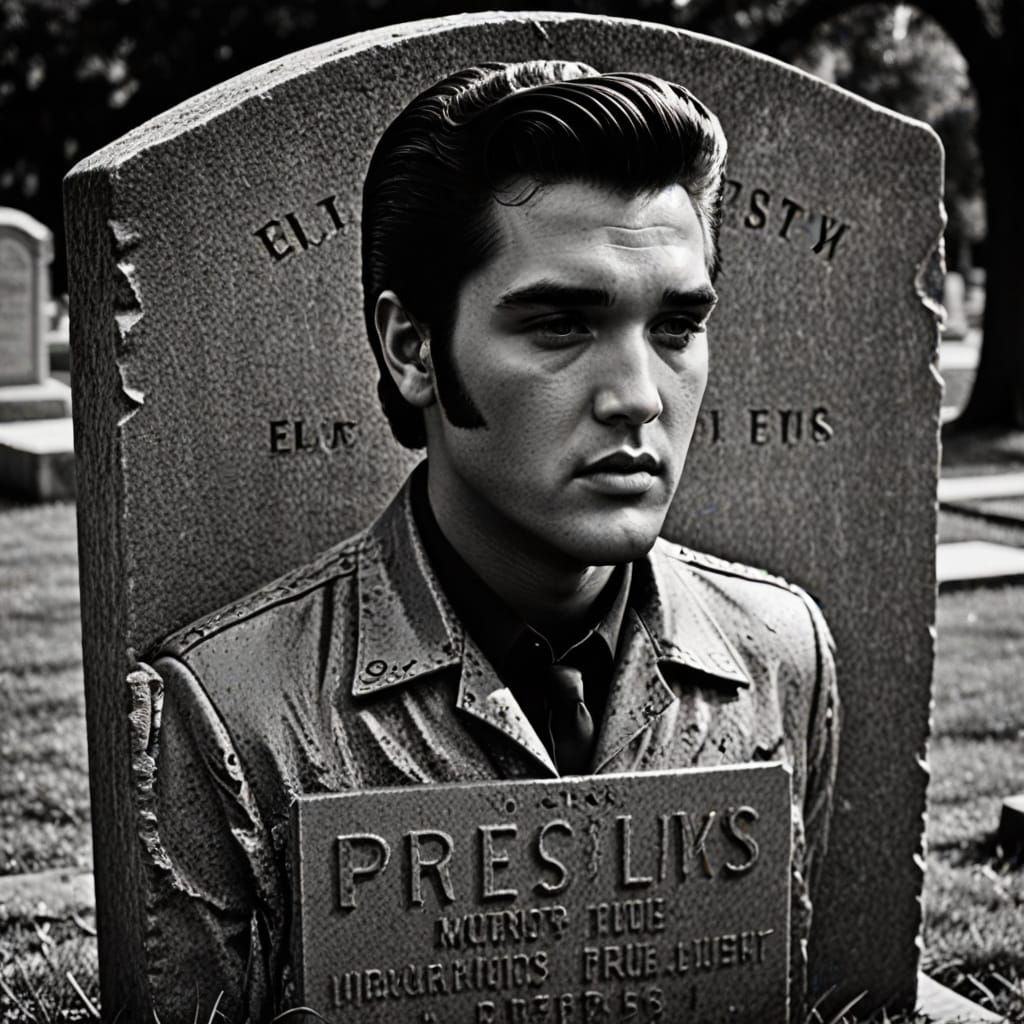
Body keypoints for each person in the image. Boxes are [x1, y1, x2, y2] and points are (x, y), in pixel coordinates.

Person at [130, 60, 838, 1022]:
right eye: (558, 324)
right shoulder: (234, 716)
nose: (637, 396)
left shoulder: (781, 651)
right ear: (413, 349)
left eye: (675, 325)